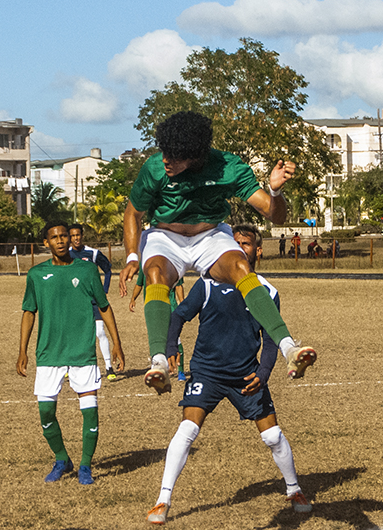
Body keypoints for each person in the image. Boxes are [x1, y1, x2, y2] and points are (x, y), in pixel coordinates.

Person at [118, 111, 315, 394]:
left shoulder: (229, 167)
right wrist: (132, 257)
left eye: (175, 155)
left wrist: (274, 191)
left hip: (209, 235)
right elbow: (133, 213)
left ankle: (289, 348)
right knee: (155, 274)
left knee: (240, 268)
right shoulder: (154, 169)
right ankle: (159, 362)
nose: (165, 160)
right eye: (165, 151)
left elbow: (275, 216)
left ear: (195, 155)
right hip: (165, 237)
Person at [146, 225, 311, 525]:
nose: (238, 248)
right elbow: (180, 315)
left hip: (246, 375)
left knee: (272, 436)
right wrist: (170, 345)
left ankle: (294, 490)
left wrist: (263, 372)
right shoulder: (207, 284)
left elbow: (270, 337)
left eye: (245, 244)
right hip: (206, 372)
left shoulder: (267, 291)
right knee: (187, 431)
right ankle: (163, 499)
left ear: (257, 251)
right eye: (234, 243)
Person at [17, 220, 125, 485]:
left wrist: (117, 344)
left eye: (64, 236)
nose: (61, 240)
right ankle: (62, 459)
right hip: (48, 353)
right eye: (54, 237)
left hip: (82, 352)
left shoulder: (88, 270)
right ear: (46, 243)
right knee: (45, 413)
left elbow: (104, 306)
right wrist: (22, 351)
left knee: (90, 411)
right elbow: (29, 312)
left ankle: (85, 465)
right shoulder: (36, 274)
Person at [68, 223, 118, 381]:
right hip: (76, 301)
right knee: (74, 333)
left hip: (93, 301)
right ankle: (70, 366)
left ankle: (109, 367)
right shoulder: (66, 254)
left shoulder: (93, 253)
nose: (76, 238)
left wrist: (104, 290)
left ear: (82, 235)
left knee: (100, 332)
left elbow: (108, 270)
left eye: (78, 235)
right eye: (73, 236)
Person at [130, 266, 188, 381]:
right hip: (153, 307)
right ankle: (162, 367)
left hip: (170, 307)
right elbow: (139, 283)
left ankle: (180, 370)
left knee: (175, 338)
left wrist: (182, 303)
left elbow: (178, 286)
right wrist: (133, 298)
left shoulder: (172, 262)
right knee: (157, 339)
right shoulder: (145, 263)